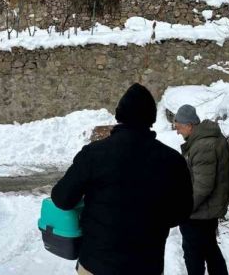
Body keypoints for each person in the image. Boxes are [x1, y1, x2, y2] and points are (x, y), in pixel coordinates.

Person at [52, 83, 193, 275]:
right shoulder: (172, 160)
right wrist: (150, 220)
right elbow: (182, 212)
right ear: (151, 118)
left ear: (120, 115)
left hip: (97, 263)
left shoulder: (94, 154)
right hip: (146, 265)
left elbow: (62, 198)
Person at [174, 104, 229, 275]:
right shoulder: (206, 140)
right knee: (209, 249)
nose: (177, 132)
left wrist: (184, 209)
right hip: (208, 210)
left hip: (200, 212)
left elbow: (202, 187)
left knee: (194, 255)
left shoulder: (203, 146)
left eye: (178, 127)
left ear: (189, 125)